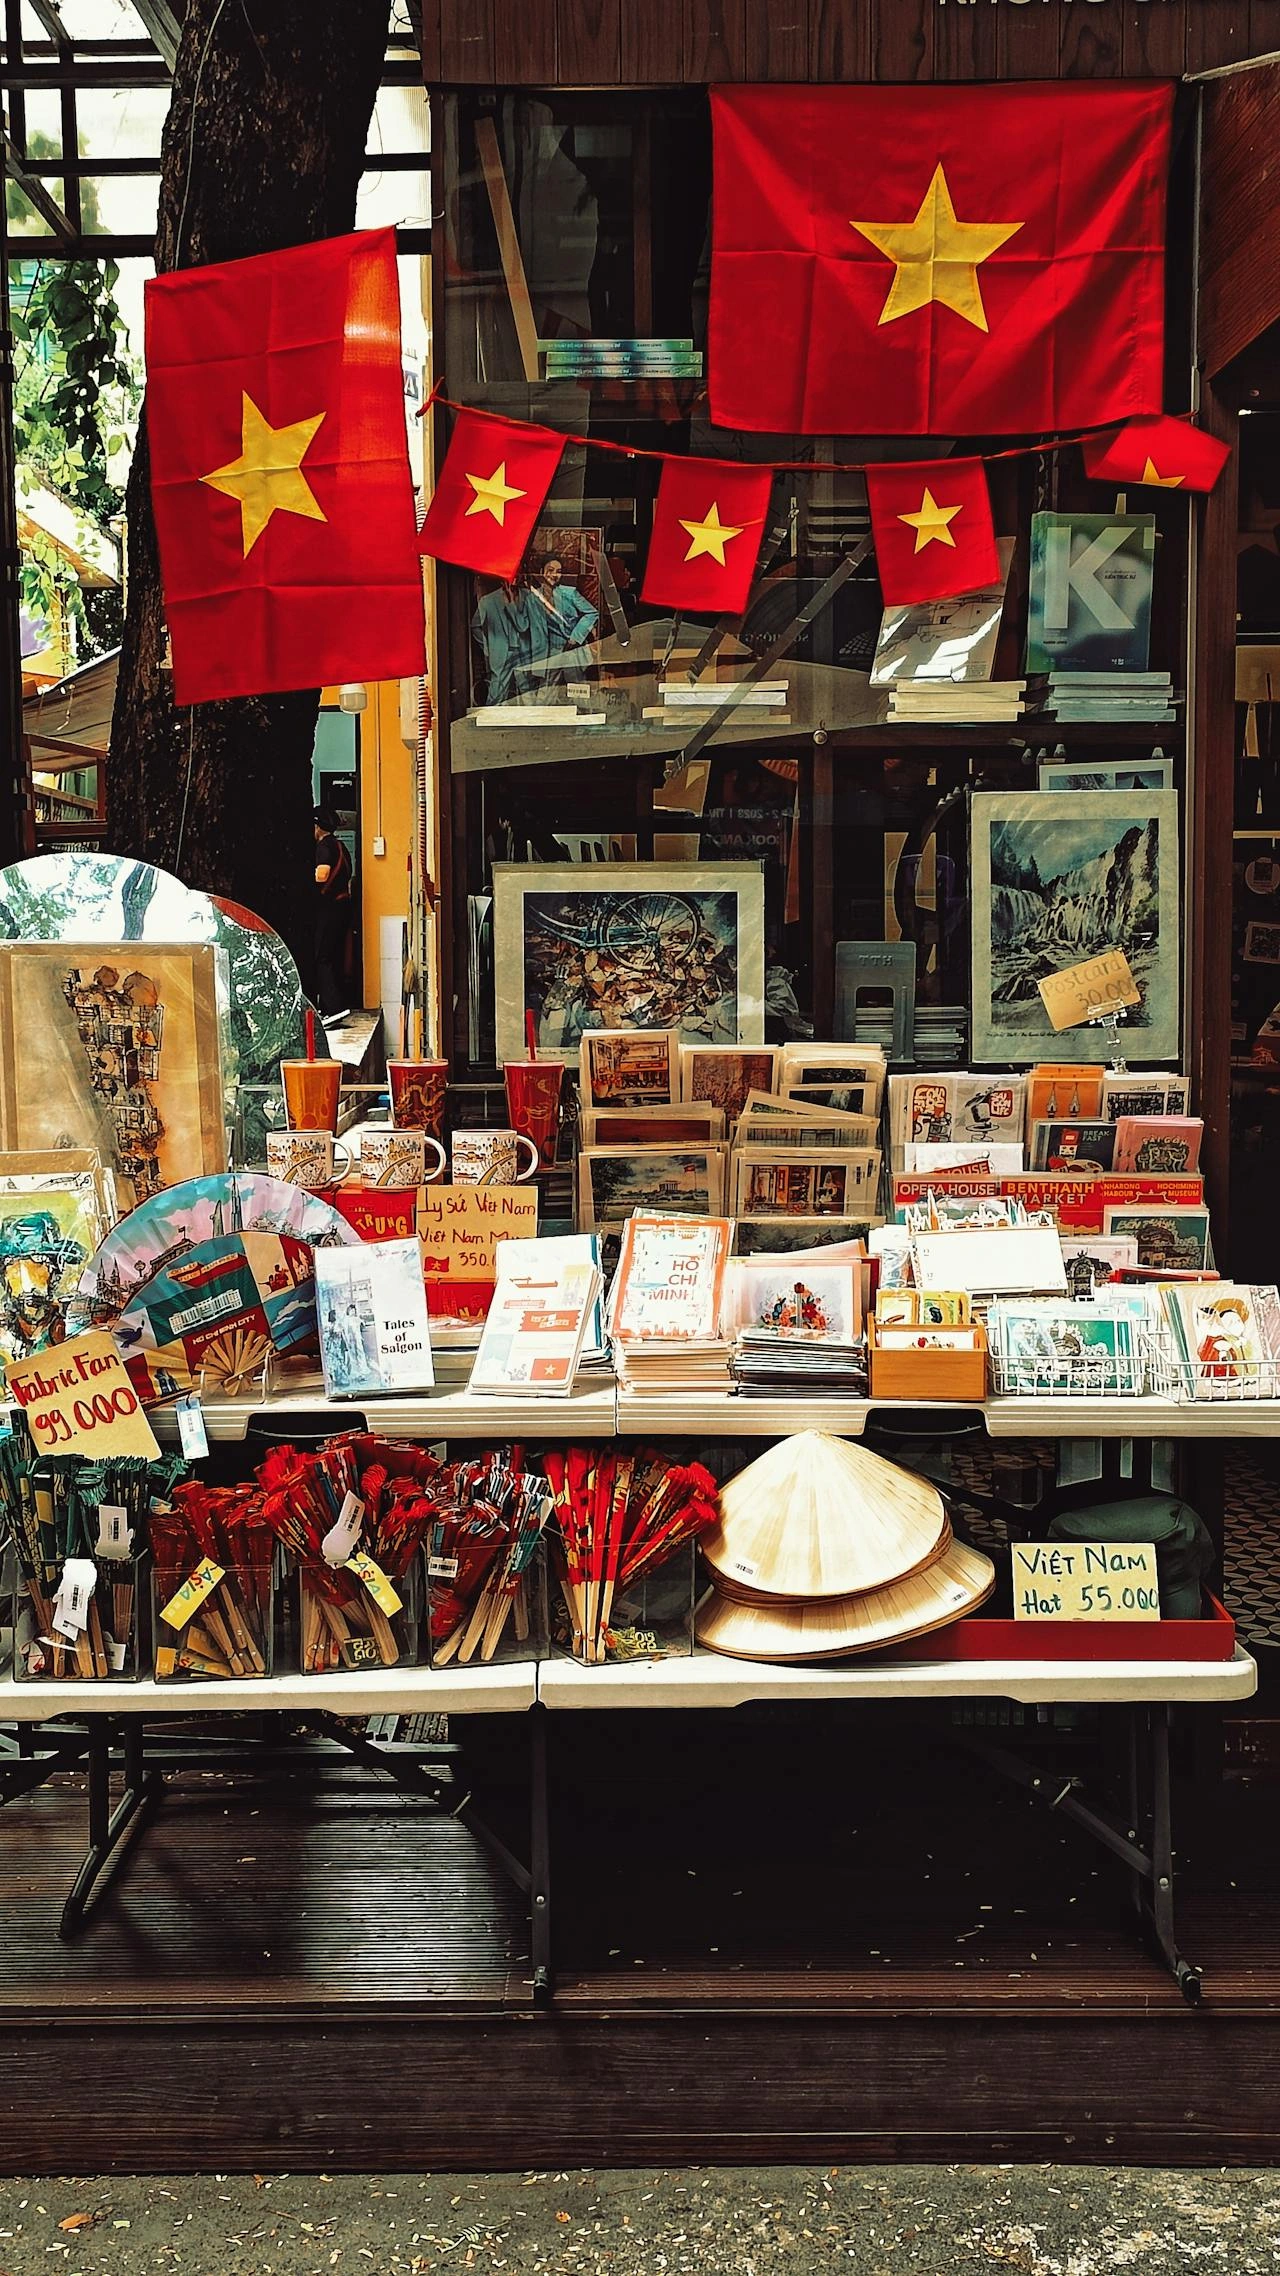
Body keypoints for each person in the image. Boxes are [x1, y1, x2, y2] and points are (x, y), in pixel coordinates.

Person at [524, 554, 598, 693]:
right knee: (545, 694)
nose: (554, 574)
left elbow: (592, 613)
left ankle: (584, 714)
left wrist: (575, 638)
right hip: (547, 652)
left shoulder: (569, 593)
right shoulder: (532, 597)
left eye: (558, 571)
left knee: (577, 691)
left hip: (569, 650)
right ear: (541, 572)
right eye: (550, 570)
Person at [313, 804, 353, 1025]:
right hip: (343, 906)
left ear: (317, 826)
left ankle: (333, 1008)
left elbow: (322, 874)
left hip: (330, 908)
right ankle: (338, 1004)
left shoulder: (324, 846)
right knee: (334, 955)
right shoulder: (340, 846)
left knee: (322, 957)